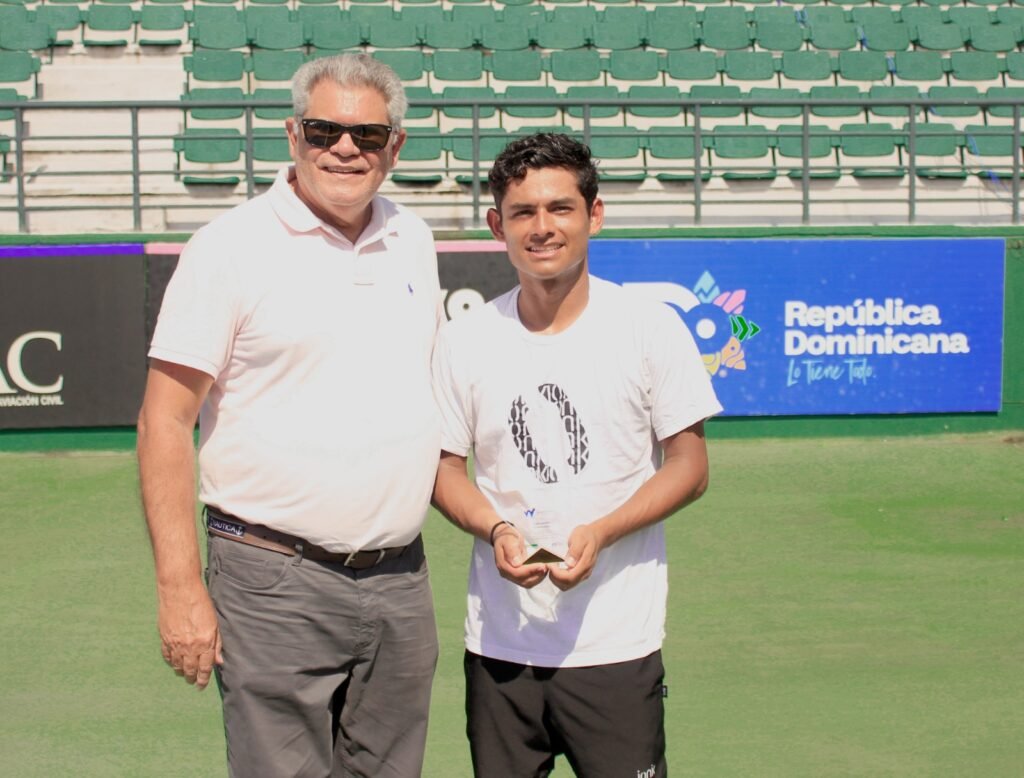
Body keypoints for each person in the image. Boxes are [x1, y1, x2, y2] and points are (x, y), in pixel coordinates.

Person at [137, 54, 443, 778]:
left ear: (394, 147)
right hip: (272, 579)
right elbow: (163, 423)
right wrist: (180, 588)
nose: (345, 148)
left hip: (400, 581)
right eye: (323, 129)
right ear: (292, 135)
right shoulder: (228, 249)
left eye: (368, 135)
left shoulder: (414, 239)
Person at [431, 133, 723, 778]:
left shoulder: (649, 328)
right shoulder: (464, 340)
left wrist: (603, 530)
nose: (542, 228)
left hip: (616, 645)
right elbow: (445, 471)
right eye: (523, 212)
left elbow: (690, 466)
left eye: (560, 208)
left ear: (594, 214)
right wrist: (496, 528)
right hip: (501, 648)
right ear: (495, 225)